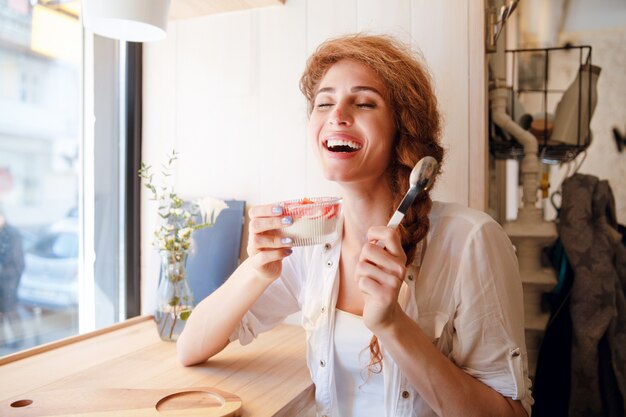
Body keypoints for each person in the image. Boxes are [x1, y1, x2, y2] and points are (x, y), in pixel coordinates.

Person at [177, 33, 533, 417]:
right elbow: (191, 347)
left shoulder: (471, 242)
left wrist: (393, 324)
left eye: (363, 103)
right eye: (323, 103)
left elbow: (510, 413)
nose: (336, 114)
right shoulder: (310, 239)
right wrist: (257, 269)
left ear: (403, 129)